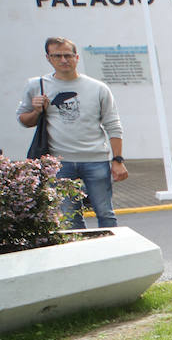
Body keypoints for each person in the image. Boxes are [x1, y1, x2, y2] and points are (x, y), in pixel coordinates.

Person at [15, 37, 129, 229]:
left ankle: (110, 254)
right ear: (48, 58)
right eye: (57, 56)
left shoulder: (98, 88)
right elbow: (24, 120)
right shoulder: (37, 85)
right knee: (69, 217)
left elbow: (113, 124)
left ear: (76, 57)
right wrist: (36, 111)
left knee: (105, 213)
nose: (63, 60)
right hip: (60, 162)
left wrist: (117, 160)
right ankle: (81, 255)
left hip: (96, 159)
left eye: (68, 55)